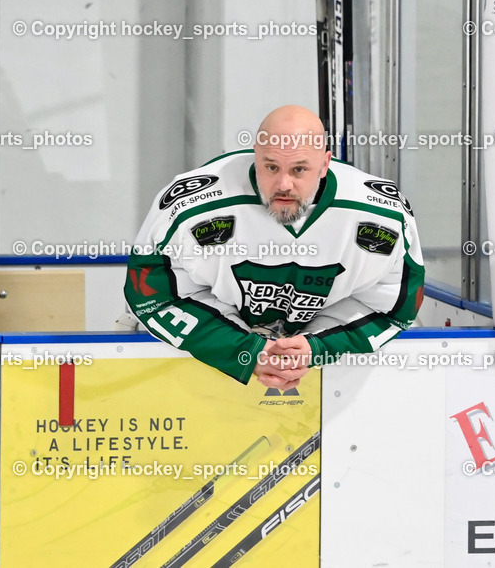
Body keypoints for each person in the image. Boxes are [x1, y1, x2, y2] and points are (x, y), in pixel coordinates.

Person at [125, 105, 424, 389]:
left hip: (331, 383)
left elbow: (395, 307)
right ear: (254, 156)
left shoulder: (383, 216)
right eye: (271, 166)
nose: (283, 184)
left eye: (299, 170)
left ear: (324, 165)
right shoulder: (191, 207)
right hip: (196, 368)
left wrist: (319, 346)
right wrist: (244, 350)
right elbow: (153, 295)